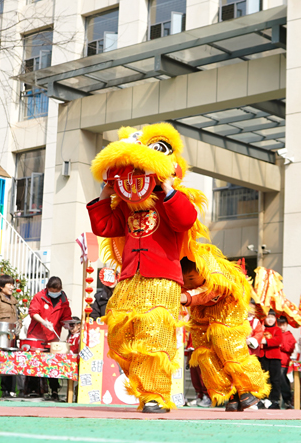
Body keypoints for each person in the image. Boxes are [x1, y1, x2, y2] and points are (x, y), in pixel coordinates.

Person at [87, 124, 200, 413]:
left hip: (162, 279)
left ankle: (155, 395)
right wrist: (107, 191)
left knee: (154, 333)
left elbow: (185, 220)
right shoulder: (125, 205)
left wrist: (166, 187)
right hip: (129, 279)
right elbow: (103, 226)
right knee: (118, 336)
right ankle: (142, 382)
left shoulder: (173, 199)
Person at [179, 257, 268, 411]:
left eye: (191, 278)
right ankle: (230, 393)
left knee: (229, 350)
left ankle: (247, 389)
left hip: (226, 312)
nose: (187, 283)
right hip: (200, 316)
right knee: (206, 356)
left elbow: (211, 290)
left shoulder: (217, 274)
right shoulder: (187, 285)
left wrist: (186, 297)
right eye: (184, 279)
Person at [26, 277, 71, 401]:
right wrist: (44, 322)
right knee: (35, 362)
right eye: (51, 290)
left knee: (53, 364)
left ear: (60, 289)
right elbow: (33, 312)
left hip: (53, 337)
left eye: (56, 291)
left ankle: (55, 390)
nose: (53, 293)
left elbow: (66, 317)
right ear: (47, 288)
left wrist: (68, 325)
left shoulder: (63, 300)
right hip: (37, 335)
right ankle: (34, 390)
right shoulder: (39, 296)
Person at [257, 309, 290, 409]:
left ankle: (275, 400)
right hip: (262, 357)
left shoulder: (277, 330)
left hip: (275, 357)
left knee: (275, 379)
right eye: (268, 317)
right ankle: (263, 399)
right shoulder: (260, 329)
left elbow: (278, 340)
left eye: (272, 317)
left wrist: (265, 341)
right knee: (263, 379)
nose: (270, 319)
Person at [277, 315, 296, 408]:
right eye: (279, 325)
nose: (281, 327)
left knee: (284, 382)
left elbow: (291, 348)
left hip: (284, 363)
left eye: (283, 325)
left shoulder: (289, 335)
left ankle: (288, 400)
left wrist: (280, 344)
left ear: (287, 325)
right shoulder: (274, 333)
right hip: (274, 362)